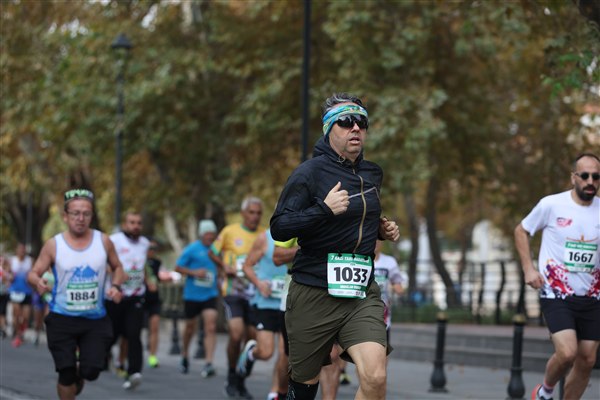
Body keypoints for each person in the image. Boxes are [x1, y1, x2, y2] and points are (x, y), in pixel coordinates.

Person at [270, 92, 400, 400]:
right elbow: (279, 227)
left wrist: (381, 230)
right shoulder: (308, 173)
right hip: (314, 291)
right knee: (304, 386)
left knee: (376, 376)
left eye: (361, 123)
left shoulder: (373, 173)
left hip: (360, 292)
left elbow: (359, 219)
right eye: (346, 122)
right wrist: (323, 210)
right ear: (329, 129)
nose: (356, 128)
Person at [514, 152, 600, 400]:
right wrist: (529, 268)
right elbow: (521, 231)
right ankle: (545, 392)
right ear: (574, 177)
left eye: (596, 177)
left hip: (593, 296)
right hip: (556, 293)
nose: (590, 181)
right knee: (567, 353)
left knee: (587, 359)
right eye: (585, 175)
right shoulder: (552, 205)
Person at [27, 188, 125, 400]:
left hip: (95, 320)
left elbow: (118, 267)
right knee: (66, 372)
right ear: (65, 216)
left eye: (86, 213)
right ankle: (71, 377)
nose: (81, 218)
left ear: (91, 216)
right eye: (75, 213)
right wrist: (38, 281)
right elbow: (33, 273)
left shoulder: (103, 241)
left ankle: (80, 375)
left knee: (91, 371)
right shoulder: (54, 245)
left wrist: (116, 286)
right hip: (61, 318)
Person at [210, 196, 265, 399]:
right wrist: (223, 265)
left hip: (255, 294)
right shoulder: (229, 231)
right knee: (236, 334)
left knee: (251, 340)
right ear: (243, 213)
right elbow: (212, 252)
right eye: (251, 212)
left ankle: (241, 381)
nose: (255, 216)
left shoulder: (264, 234)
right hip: (233, 291)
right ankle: (231, 376)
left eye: (258, 213)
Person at [236, 230, 298, 400]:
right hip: (266, 303)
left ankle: (274, 391)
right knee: (266, 352)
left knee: (284, 353)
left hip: (287, 299)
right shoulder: (264, 238)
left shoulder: (300, 232)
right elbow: (247, 266)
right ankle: (251, 353)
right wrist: (259, 284)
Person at [106, 211, 153, 390]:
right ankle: (104, 357)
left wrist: (149, 281)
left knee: (134, 334)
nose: (136, 226)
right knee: (111, 334)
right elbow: (103, 264)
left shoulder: (144, 243)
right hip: (115, 296)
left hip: (135, 296)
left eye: (139, 223)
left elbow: (142, 266)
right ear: (125, 224)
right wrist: (117, 274)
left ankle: (134, 372)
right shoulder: (114, 240)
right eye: (132, 222)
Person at [175, 219, 219, 378]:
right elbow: (177, 267)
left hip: (210, 294)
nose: (210, 237)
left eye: (212, 234)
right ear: (201, 234)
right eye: (207, 234)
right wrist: (194, 273)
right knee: (189, 328)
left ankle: (209, 363)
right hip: (192, 295)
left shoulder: (216, 249)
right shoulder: (192, 249)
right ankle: (184, 354)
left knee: (210, 326)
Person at [9, 242, 33, 347]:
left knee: (26, 317)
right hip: (15, 291)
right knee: (17, 315)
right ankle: (18, 335)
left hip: (27, 292)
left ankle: (20, 332)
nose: (22, 251)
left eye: (23, 249)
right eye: (20, 249)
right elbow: (8, 274)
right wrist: (10, 277)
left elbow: (34, 273)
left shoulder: (30, 261)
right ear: (17, 250)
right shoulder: (12, 260)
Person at [144, 239, 162, 368]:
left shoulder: (157, 262)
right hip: (139, 298)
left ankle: (152, 356)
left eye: (154, 249)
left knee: (154, 327)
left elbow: (158, 277)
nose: (152, 251)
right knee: (132, 330)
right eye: (150, 248)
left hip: (154, 299)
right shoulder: (138, 261)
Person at [0, 254, 11, 338]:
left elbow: (7, 281)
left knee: (2, 311)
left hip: (4, 294)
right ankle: (3, 327)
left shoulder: (6, 271)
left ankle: (3, 328)